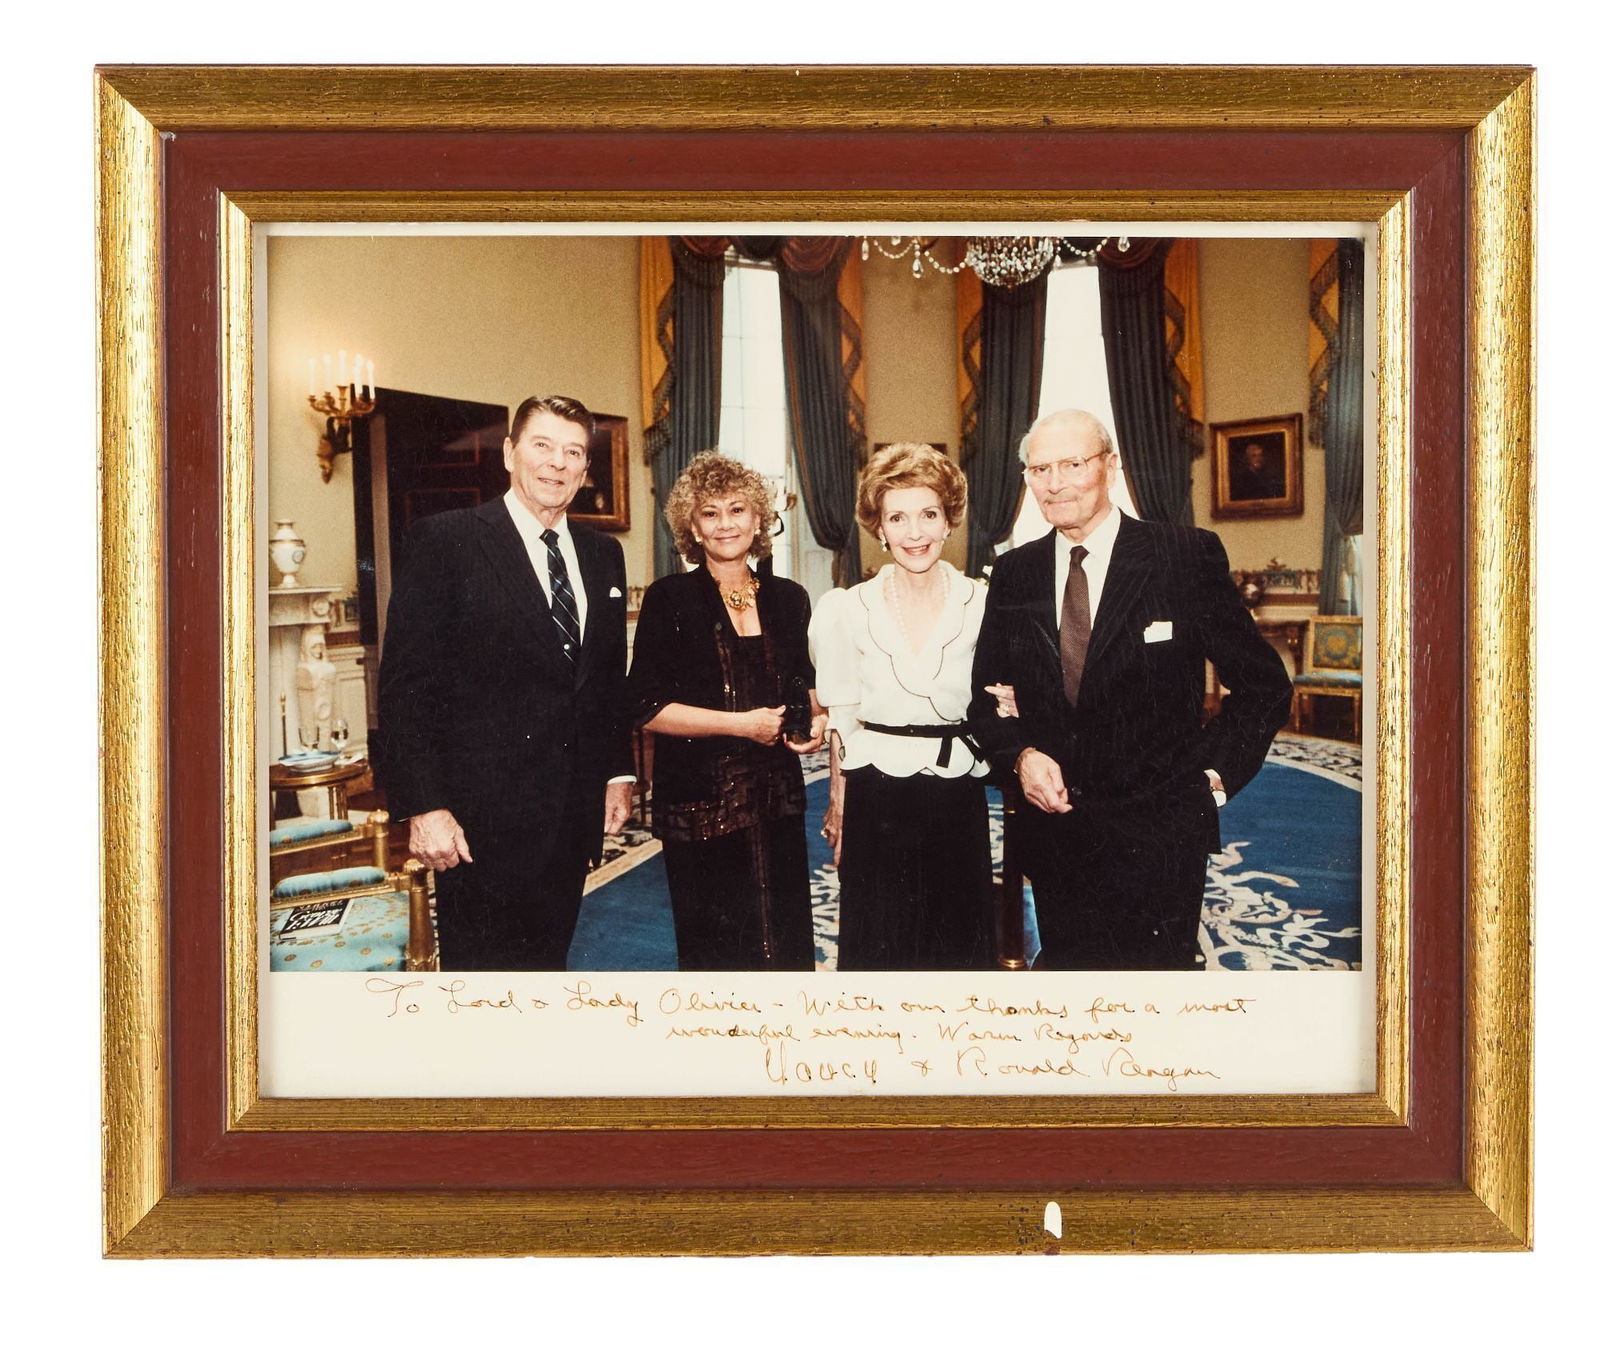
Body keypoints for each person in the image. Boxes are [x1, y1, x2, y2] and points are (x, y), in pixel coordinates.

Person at [971, 410, 1291, 970]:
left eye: (1072, 463)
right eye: (1039, 468)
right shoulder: (1014, 571)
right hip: (1056, 832)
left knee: (1156, 1003)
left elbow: (1263, 686)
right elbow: (985, 699)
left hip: (1160, 833)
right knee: (1073, 993)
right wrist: (1020, 757)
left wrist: (1215, 776)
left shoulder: (1182, 556)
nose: (1055, 481)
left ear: (1111, 467)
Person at [377, 394, 633, 971]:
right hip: (478, 820)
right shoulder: (446, 540)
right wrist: (425, 806)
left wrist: (616, 772)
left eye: (573, 452)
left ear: (585, 470)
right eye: (541, 446)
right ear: (510, 453)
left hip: (570, 813)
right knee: (484, 983)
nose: (557, 464)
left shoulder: (602, 554)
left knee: (548, 965)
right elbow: (406, 687)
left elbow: (605, 681)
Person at [628, 452, 826, 970]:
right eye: (710, 513)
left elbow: (804, 688)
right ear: (692, 526)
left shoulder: (789, 598)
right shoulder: (669, 598)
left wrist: (813, 726)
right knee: (716, 944)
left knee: (782, 934)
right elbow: (646, 708)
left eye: (736, 510)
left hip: (775, 794)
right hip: (699, 798)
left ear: (758, 518)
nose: (724, 525)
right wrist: (741, 725)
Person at [809, 442, 1000, 970]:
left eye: (928, 515)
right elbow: (842, 718)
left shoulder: (983, 603)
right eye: (898, 517)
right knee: (882, 942)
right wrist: (839, 803)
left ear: (948, 522)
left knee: (956, 942)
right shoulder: (847, 609)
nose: (914, 533)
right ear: (878, 527)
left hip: (955, 788)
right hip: (877, 794)